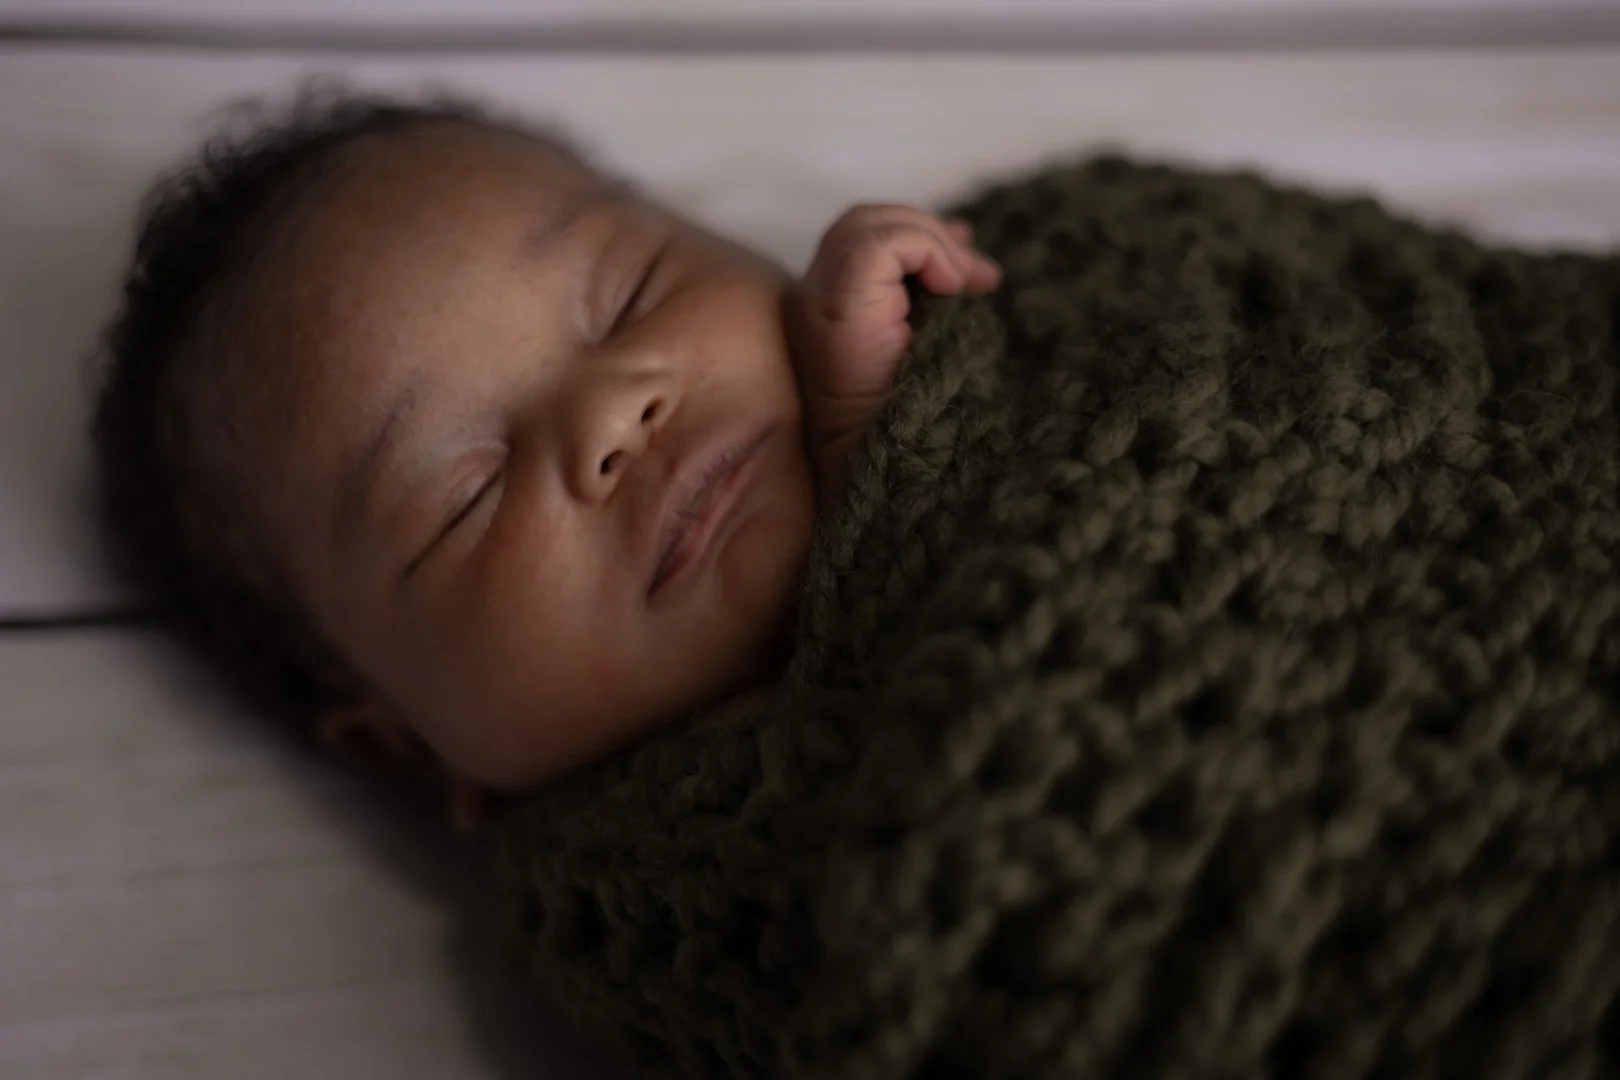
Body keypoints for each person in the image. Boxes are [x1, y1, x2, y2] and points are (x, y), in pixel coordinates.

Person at [90, 88, 1001, 822]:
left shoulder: (983, 336)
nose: (611, 415)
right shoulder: (664, 919)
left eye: (632, 297)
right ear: (407, 741)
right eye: (465, 496)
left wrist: (883, 431)